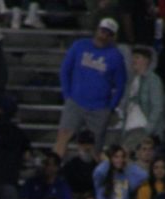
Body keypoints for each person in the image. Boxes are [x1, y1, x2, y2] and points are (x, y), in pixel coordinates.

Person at [54, 18, 126, 157]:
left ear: (113, 36)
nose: (104, 35)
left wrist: (110, 107)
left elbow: (120, 84)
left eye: (108, 33)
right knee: (63, 136)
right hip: (75, 102)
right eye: (102, 31)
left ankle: (90, 176)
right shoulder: (79, 45)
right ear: (97, 29)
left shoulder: (116, 56)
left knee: (94, 146)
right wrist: (67, 96)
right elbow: (65, 70)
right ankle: (53, 169)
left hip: (100, 108)